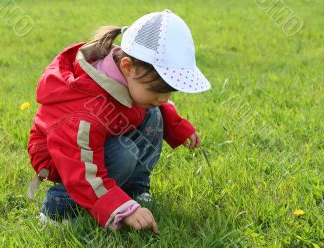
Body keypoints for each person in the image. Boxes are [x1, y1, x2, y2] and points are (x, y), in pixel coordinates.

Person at [27, 9, 211, 233]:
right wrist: (122, 210)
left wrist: (176, 126)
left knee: (153, 113)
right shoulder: (86, 110)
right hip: (64, 159)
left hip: (92, 142)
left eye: (169, 92)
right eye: (158, 89)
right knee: (124, 153)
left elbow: (156, 104)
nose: (164, 98)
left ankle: (132, 190)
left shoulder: (129, 76)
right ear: (127, 66)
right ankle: (59, 208)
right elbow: (82, 171)